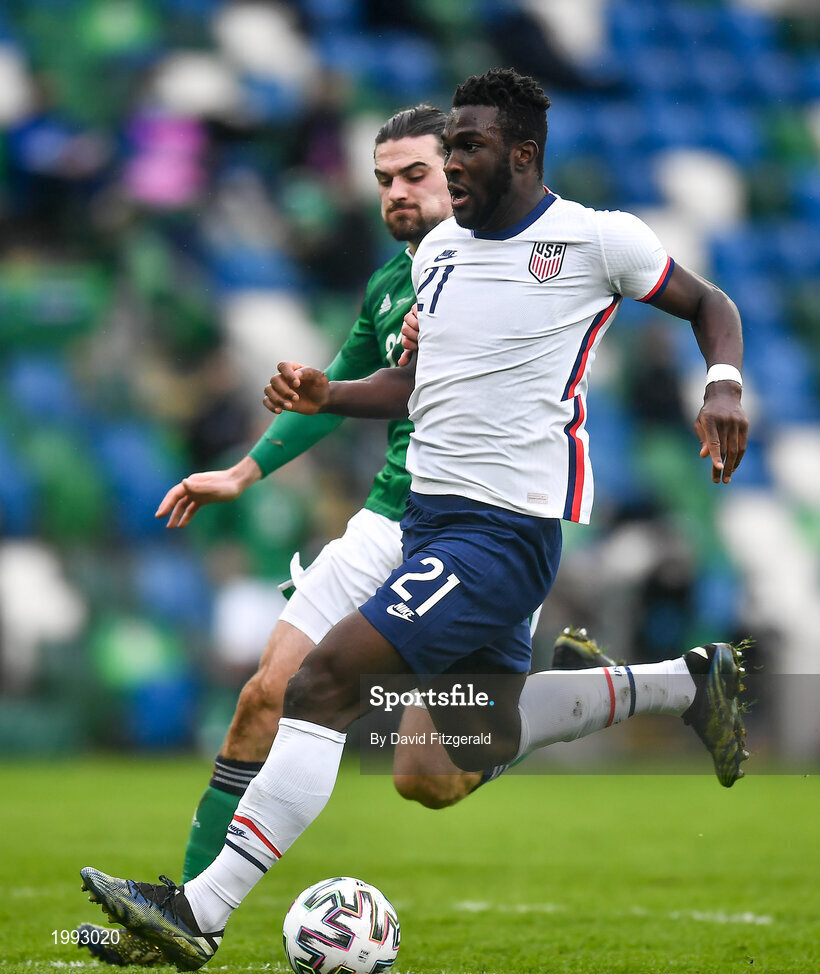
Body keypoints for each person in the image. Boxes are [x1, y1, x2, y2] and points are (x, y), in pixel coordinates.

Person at [80, 69, 749, 971]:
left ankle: (198, 911)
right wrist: (331, 393)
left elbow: (713, 305)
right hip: (430, 523)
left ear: (520, 153)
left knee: (323, 682)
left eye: (466, 148)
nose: (452, 166)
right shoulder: (435, 259)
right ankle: (682, 683)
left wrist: (723, 386)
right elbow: (413, 385)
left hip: (499, 534)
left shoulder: (596, 240)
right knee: (431, 773)